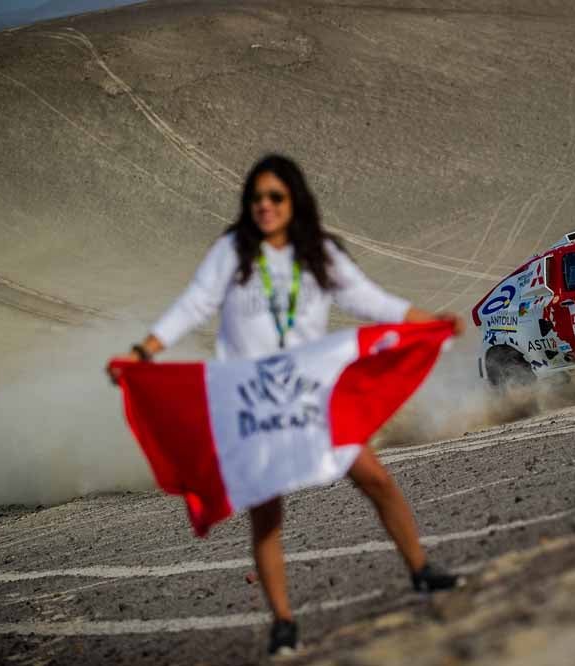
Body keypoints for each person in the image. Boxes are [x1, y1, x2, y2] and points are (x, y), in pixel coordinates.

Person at [106, 154, 466, 658]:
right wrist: (145, 351)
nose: (265, 206)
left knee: (375, 478)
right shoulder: (232, 251)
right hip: (256, 400)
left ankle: (422, 571)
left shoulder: (317, 252)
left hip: (308, 392)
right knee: (266, 513)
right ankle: (282, 622)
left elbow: (370, 301)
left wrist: (429, 322)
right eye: (256, 198)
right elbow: (194, 304)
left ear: (293, 199)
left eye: (275, 197)